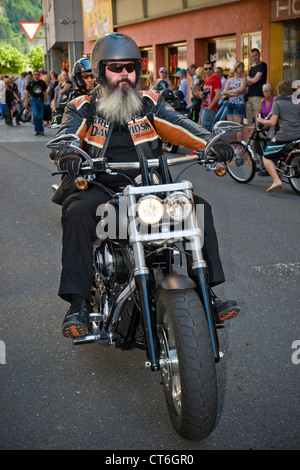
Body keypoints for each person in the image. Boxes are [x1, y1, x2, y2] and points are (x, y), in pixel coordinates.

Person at [51, 33, 239, 338]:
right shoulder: (83, 105)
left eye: (130, 67)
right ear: (100, 72)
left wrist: (212, 142)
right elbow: (66, 135)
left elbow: (180, 126)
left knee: (197, 206)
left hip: (148, 190)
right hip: (102, 190)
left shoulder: (149, 102)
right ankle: (79, 302)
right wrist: (69, 152)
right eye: (116, 67)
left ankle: (208, 295)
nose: (124, 74)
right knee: (77, 210)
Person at [256, 80, 300, 193]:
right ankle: (281, 173)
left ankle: (276, 180)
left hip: (285, 136)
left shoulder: (278, 103)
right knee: (282, 153)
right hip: (298, 135)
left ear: (279, 91)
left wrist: (260, 120)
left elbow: (272, 122)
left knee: (266, 157)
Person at [51, 58, 96, 127]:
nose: (90, 80)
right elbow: (58, 112)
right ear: (78, 78)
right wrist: (62, 120)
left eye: (92, 76)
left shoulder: (101, 94)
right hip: (77, 133)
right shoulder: (70, 95)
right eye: (85, 76)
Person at [222, 61, 247, 140]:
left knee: (237, 126)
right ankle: (233, 145)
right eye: (239, 67)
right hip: (230, 103)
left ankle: (238, 146)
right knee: (230, 127)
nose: (241, 69)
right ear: (235, 68)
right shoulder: (230, 79)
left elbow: (240, 90)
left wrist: (230, 93)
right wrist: (234, 93)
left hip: (239, 104)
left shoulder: (243, 78)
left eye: (242, 67)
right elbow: (224, 92)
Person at [246, 48, 267, 125]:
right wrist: (252, 79)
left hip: (258, 96)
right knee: (249, 121)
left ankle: (259, 137)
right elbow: (248, 83)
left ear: (259, 55)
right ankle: (250, 137)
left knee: (257, 119)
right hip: (249, 96)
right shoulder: (252, 68)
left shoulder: (263, 65)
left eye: (256, 55)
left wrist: (250, 79)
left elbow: (254, 80)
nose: (255, 57)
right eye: (253, 56)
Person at [200, 61, 221, 132]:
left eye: (209, 68)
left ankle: (208, 143)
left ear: (213, 68)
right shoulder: (206, 79)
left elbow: (218, 95)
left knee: (206, 129)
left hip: (210, 108)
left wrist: (210, 107)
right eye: (206, 69)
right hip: (203, 106)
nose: (208, 70)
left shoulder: (216, 79)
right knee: (203, 128)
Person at [24, 69, 48, 135]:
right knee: (35, 114)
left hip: (41, 100)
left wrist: (47, 101)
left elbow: (45, 92)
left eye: (38, 74)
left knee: (40, 116)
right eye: (35, 75)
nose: (36, 76)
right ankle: (37, 130)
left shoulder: (42, 82)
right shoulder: (31, 83)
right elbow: (27, 92)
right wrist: (26, 101)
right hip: (33, 100)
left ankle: (40, 130)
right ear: (33, 75)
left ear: (39, 75)